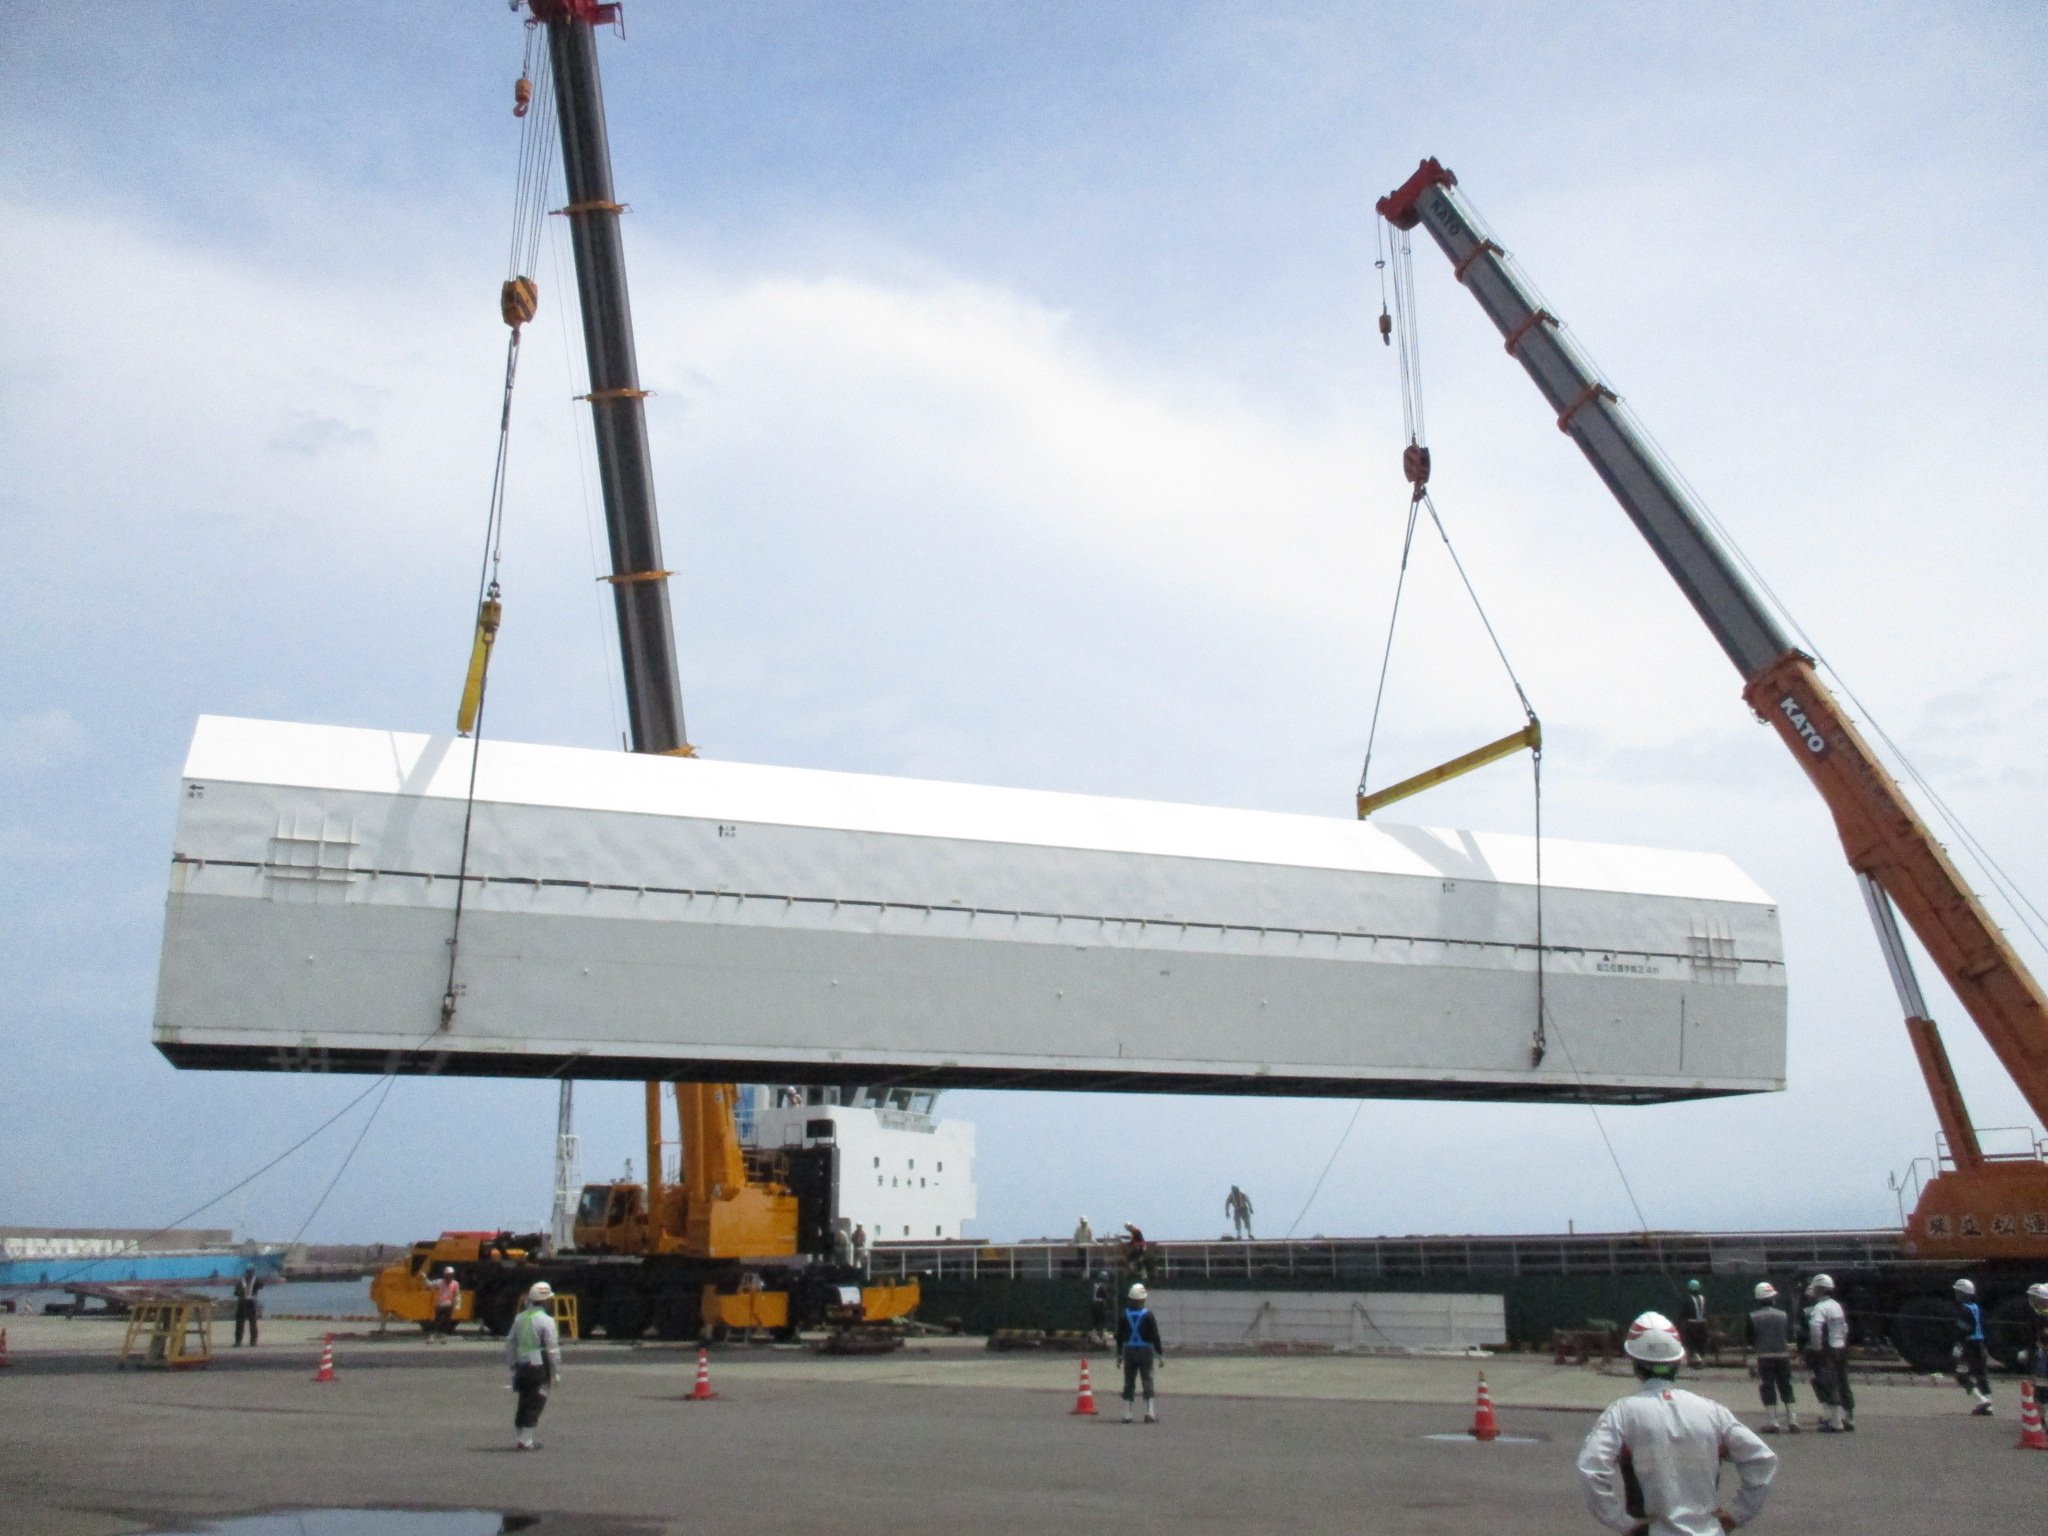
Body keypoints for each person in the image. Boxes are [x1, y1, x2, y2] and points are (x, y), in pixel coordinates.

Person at [1577, 1310, 1777, 1536]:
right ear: (1677, 1361)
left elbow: (1591, 1469)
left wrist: (1622, 1523)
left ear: (1634, 1362)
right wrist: (1737, 1514)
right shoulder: (1712, 1411)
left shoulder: (1622, 1413)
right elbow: (1761, 1459)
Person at [505, 1281, 562, 1451]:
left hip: (522, 1366)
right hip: (539, 1367)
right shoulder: (546, 1321)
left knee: (524, 1400)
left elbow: (510, 1343)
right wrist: (555, 1373)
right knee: (537, 1401)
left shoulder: (520, 1318)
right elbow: (552, 1350)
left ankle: (521, 1437)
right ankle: (526, 1440)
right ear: (544, 1301)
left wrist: (513, 1364)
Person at [1745, 1282, 1799, 1433]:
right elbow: (1790, 1335)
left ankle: (1773, 1422)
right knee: (1786, 1386)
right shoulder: (1783, 1315)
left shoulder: (1753, 1317)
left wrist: (1750, 1363)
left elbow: (1749, 1341)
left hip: (1764, 1357)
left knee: (1767, 1387)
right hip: (1783, 1356)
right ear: (1773, 1299)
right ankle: (1793, 1420)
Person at [1804, 1273, 1854, 1432]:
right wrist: (1843, 1342)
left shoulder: (1820, 1307)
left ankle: (1835, 1422)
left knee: (1829, 1383)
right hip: (1840, 1347)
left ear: (1820, 1289)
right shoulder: (1837, 1306)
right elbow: (1844, 1327)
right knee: (1843, 1381)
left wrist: (1816, 1347)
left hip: (1827, 1350)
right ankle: (1849, 1417)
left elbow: (1815, 1327)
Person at [1115, 1282, 1165, 1424]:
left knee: (1129, 1381)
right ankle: (1149, 1412)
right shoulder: (1148, 1315)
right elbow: (1155, 1336)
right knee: (1147, 1379)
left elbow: (1119, 1336)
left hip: (1129, 1350)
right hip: (1145, 1350)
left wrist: (1119, 1355)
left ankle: (1127, 1413)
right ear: (1143, 1300)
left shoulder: (1124, 1315)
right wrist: (1160, 1354)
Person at [1951, 1277, 1993, 1416]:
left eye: (1958, 1292)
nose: (1956, 1295)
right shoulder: (1977, 1308)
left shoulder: (1964, 1310)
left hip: (1969, 1346)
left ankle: (1982, 1400)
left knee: (1961, 1374)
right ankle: (1989, 1403)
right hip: (1980, 1345)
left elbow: (1965, 1329)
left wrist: (1959, 1346)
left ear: (1964, 1294)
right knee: (1981, 1375)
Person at [232, 1266, 264, 1347]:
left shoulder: (241, 1281)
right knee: (250, 1323)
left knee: (242, 1323)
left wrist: (240, 1293)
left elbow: (235, 1293)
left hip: (244, 1302)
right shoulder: (255, 1280)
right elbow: (261, 1285)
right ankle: (251, 1342)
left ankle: (239, 1342)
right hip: (248, 1303)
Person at [1681, 1278, 1710, 1363]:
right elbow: (1707, 1311)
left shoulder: (1688, 1299)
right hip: (1703, 1324)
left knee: (1691, 1341)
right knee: (1701, 1342)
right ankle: (1700, 1356)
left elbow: (1684, 1313)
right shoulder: (1703, 1298)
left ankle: (1694, 1356)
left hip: (1691, 1324)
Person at [430, 1266, 461, 1342]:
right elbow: (429, 1284)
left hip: (448, 1306)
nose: (449, 1276)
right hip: (440, 1305)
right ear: (445, 1275)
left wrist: (457, 1305)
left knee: (446, 1322)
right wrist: (424, 1278)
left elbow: (457, 1295)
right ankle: (433, 1336)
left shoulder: (455, 1284)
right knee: (437, 1321)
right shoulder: (440, 1282)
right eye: (447, 1275)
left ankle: (443, 1336)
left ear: (452, 1275)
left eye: (450, 1275)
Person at [1088, 1269, 1113, 1344]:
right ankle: (1101, 1335)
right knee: (1102, 1319)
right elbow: (1104, 1295)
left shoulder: (1095, 1284)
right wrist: (1107, 1297)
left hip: (1094, 1303)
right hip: (1099, 1304)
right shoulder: (1101, 1285)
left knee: (1096, 1320)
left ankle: (1095, 1334)